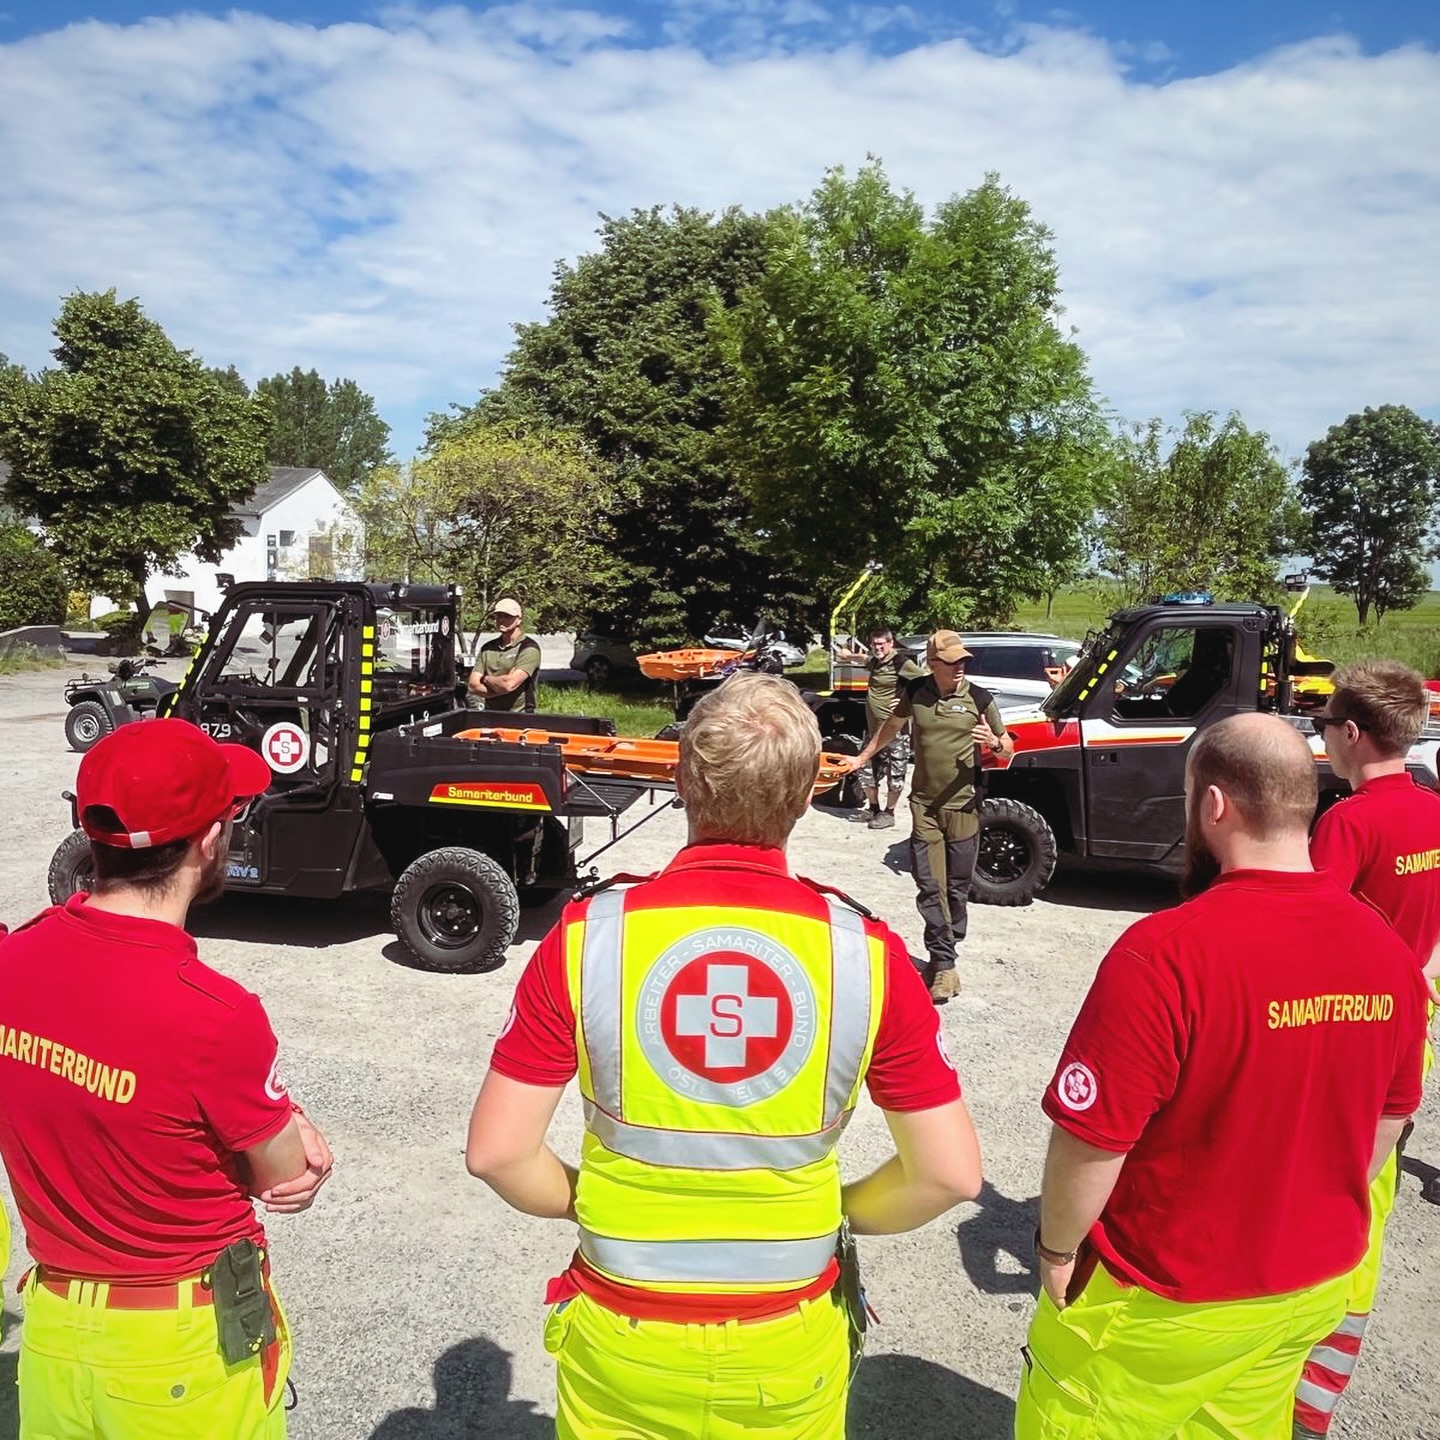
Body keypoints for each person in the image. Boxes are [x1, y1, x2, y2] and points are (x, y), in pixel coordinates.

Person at [465, 671, 983, 1440]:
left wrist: (599, 1204)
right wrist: (837, 1216)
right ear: (809, 793)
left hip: (621, 1336)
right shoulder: (864, 955)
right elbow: (948, 1174)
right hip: (787, 1341)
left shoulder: (589, 937)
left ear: (679, 780)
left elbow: (497, 1154)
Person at [1015, 713, 1428, 1440]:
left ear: (1212, 805)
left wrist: (1055, 1248)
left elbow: (1092, 1141)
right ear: (1309, 802)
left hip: (1167, 1301)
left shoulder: (1164, 954)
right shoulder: (1387, 951)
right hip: (1307, 1290)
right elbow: (1386, 1126)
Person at [0, 719, 334, 1439]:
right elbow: (284, 1177)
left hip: (55, 1328)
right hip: (180, 1348)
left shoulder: (11, 959)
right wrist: (294, 1125)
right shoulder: (216, 1015)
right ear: (212, 839)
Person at [1294, 661, 1440, 1438]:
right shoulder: (1434, 814)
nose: (1323, 743)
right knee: (1369, 1198)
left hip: (1345, 1035)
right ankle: (1325, 1379)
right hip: (1408, 1032)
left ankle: (1301, 1369)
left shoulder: (1347, 823)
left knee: (1327, 1194)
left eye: (1323, 729)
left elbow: (1313, 932)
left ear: (1350, 734)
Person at [844, 631, 1013, 1003]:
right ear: (933, 663)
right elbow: (890, 726)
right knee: (929, 885)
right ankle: (944, 963)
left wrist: (996, 744)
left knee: (956, 889)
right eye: (952, 661)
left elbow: (1008, 747)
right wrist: (862, 757)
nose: (960, 666)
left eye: (963, 661)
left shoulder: (979, 698)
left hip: (964, 807)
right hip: (924, 806)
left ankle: (946, 952)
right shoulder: (917, 692)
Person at [835, 627, 921, 830]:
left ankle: (889, 812)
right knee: (864, 768)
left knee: (896, 774)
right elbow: (864, 658)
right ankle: (873, 808)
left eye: (882, 644)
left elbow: (923, 681)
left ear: (891, 643)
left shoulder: (900, 662)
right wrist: (848, 655)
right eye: (875, 644)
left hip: (895, 731)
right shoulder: (875, 661)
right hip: (874, 731)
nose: (878, 647)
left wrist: (904, 700)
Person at [467, 596, 541, 713]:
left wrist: (485, 679)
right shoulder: (487, 648)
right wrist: (501, 687)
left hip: (521, 718)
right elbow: (473, 685)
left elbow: (509, 684)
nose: (502, 620)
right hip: (491, 715)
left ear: (519, 620)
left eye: (507, 616)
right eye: (499, 616)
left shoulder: (529, 648)